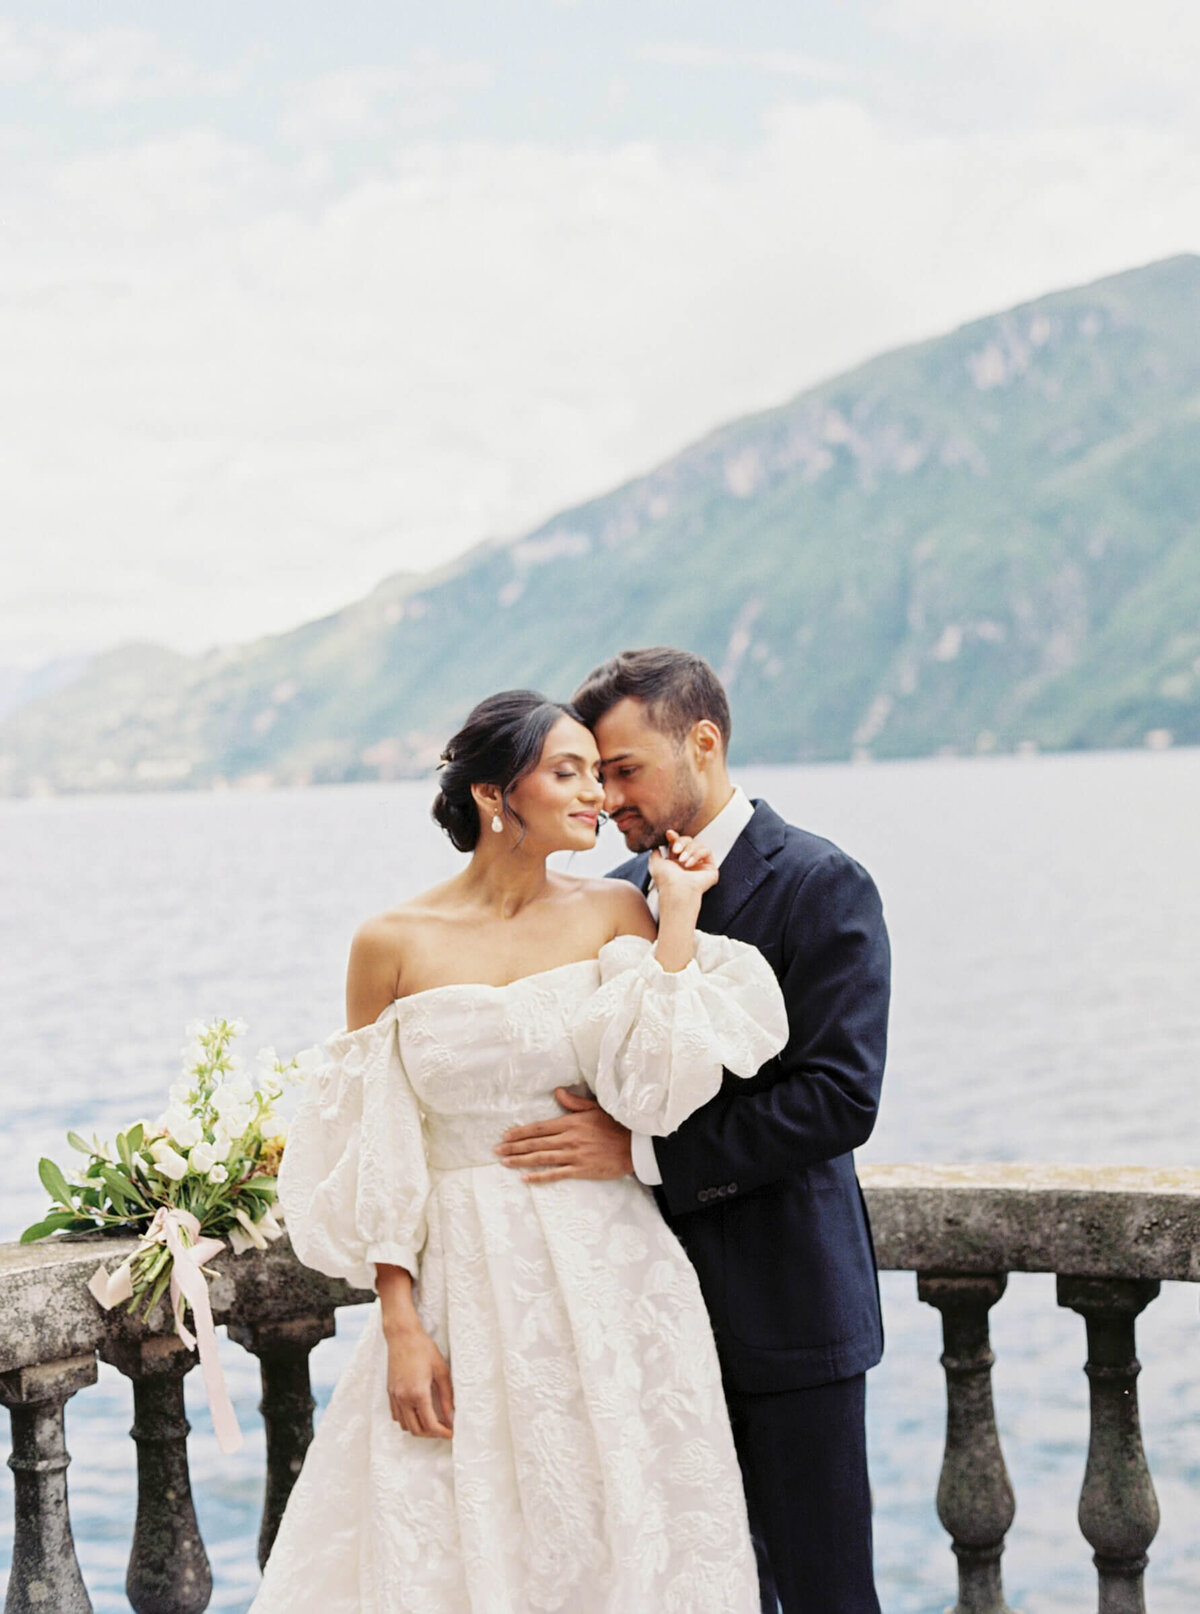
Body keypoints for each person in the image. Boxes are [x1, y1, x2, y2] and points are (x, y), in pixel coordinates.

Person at [250, 689, 789, 1614]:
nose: (598, 796)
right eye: (570, 772)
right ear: (500, 796)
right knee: (448, 1535)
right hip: (459, 1281)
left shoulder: (620, 909)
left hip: (612, 1271)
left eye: (602, 772)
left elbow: (655, 1088)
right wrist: (401, 1321)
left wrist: (680, 919)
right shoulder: (389, 943)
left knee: (625, 1524)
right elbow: (379, 1140)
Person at [496, 648, 890, 1614]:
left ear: (703, 742)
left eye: (624, 770)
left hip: (787, 1312)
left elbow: (840, 1097)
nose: (607, 796)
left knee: (821, 1593)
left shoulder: (821, 883)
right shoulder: (620, 898)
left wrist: (642, 1156)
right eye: (591, 773)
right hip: (637, 1319)